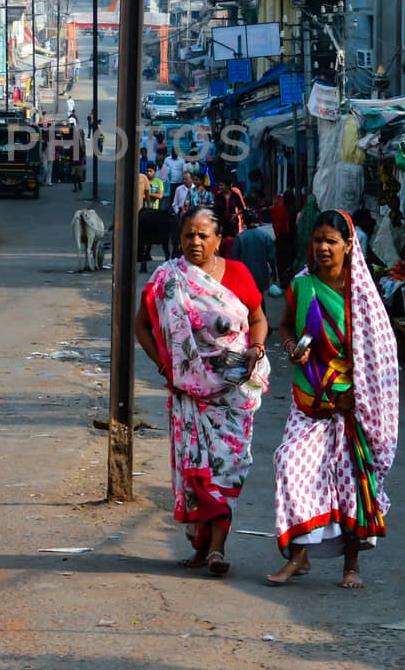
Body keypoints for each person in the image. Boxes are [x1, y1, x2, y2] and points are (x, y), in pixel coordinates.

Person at [134, 208, 270, 578]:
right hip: (189, 394)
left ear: (218, 238)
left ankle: (216, 546)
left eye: (202, 236)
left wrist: (255, 350)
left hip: (234, 395)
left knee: (227, 470)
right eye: (188, 236)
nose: (195, 242)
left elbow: (258, 318)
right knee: (196, 471)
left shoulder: (238, 274)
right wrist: (165, 364)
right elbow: (141, 325)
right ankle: (205, 548)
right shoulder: (168, 278)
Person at [269, 210, 400, 590]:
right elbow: (286, 325)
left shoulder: (362, 294)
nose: (323, 247)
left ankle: (352, 564)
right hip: (310, 398)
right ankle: (299, 555)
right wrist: (293, 347)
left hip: (353, 404)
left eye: (331, 241)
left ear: (348, 245)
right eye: (318, 240)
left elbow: (379, 352)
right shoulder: (301, 285)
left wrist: (357, 397)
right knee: (289, 464)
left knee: (352, 482)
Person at [233, 209, 277, 297]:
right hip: (261, 274)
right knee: (260, 298)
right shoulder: (265, 236)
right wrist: (274, 271)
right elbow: (271, 257)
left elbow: (234, 259)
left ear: (244, 221)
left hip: (245, 275)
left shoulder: (240, 238)